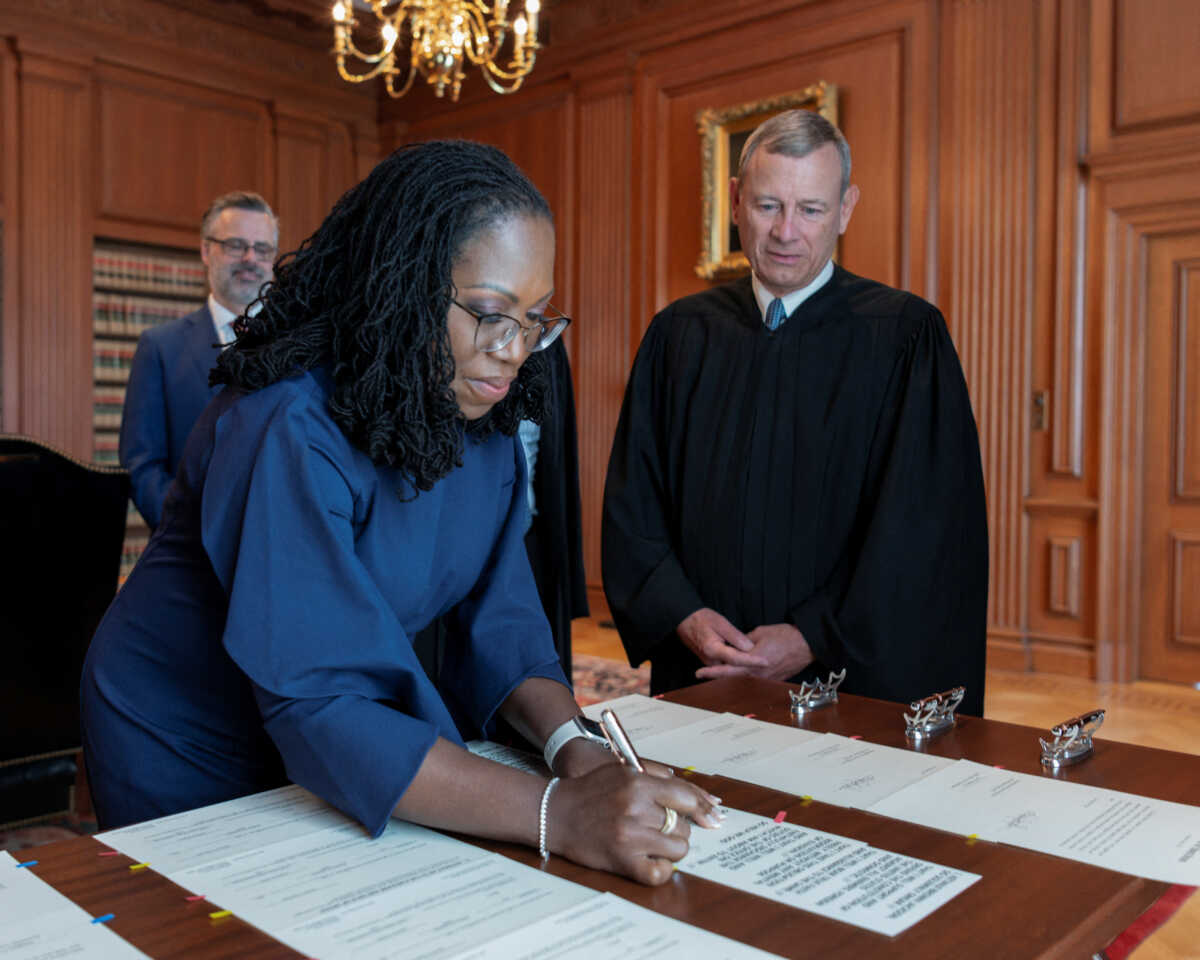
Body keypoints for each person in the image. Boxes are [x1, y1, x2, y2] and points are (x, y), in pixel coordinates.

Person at [82, 140, 719, 887]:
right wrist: (562, 813)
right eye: (487, 313)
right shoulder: (288, 423)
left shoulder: (480, 420)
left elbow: (503, 622)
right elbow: (322, 701)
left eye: (535, 318)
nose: (513, 351)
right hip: (189, 731)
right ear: (407, 289)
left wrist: (576, 751)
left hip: (334, 729)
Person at [602, 110, 989, 715]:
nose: (786, 231)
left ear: (845, 209)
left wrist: (814, 634)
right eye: (767, 206)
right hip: (701, 666)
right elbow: (635, 504)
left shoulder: (905, 337)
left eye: (810, 209)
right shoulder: (679, 335)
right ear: (734, 202)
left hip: (848, 680)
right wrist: (683, 614)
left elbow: (923, 528)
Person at [119, 191, 279, 529]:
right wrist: (184, 533)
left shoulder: (301, 348)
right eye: (236, 245)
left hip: (281, 556)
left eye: (262, 249)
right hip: (190, 559)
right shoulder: (160, 348)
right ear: (206, 250)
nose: (250, 258)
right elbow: (141, 464)